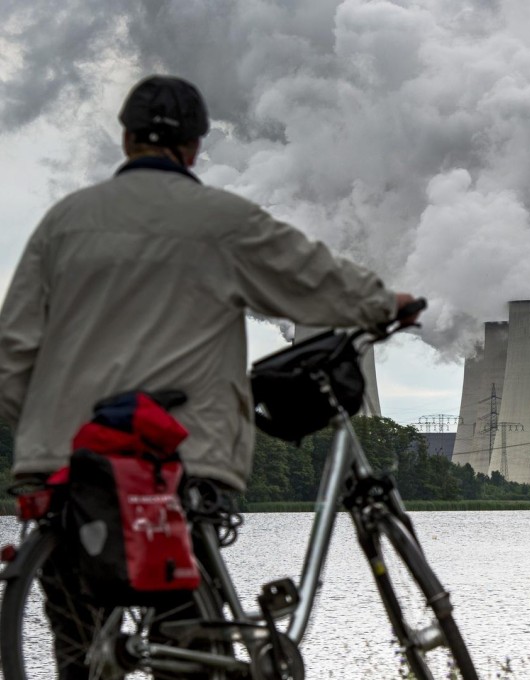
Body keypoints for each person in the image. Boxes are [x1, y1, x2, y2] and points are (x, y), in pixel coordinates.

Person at [0, 74, 420, 678]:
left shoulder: (63, 223)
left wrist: (47, 430)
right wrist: (387, 303)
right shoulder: (220, 220)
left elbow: (12, 350)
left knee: (83, 649)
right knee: (193, 650)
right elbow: (310, 278)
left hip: (63, 464)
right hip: (172, 458)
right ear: (195, 148)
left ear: (125, 139)